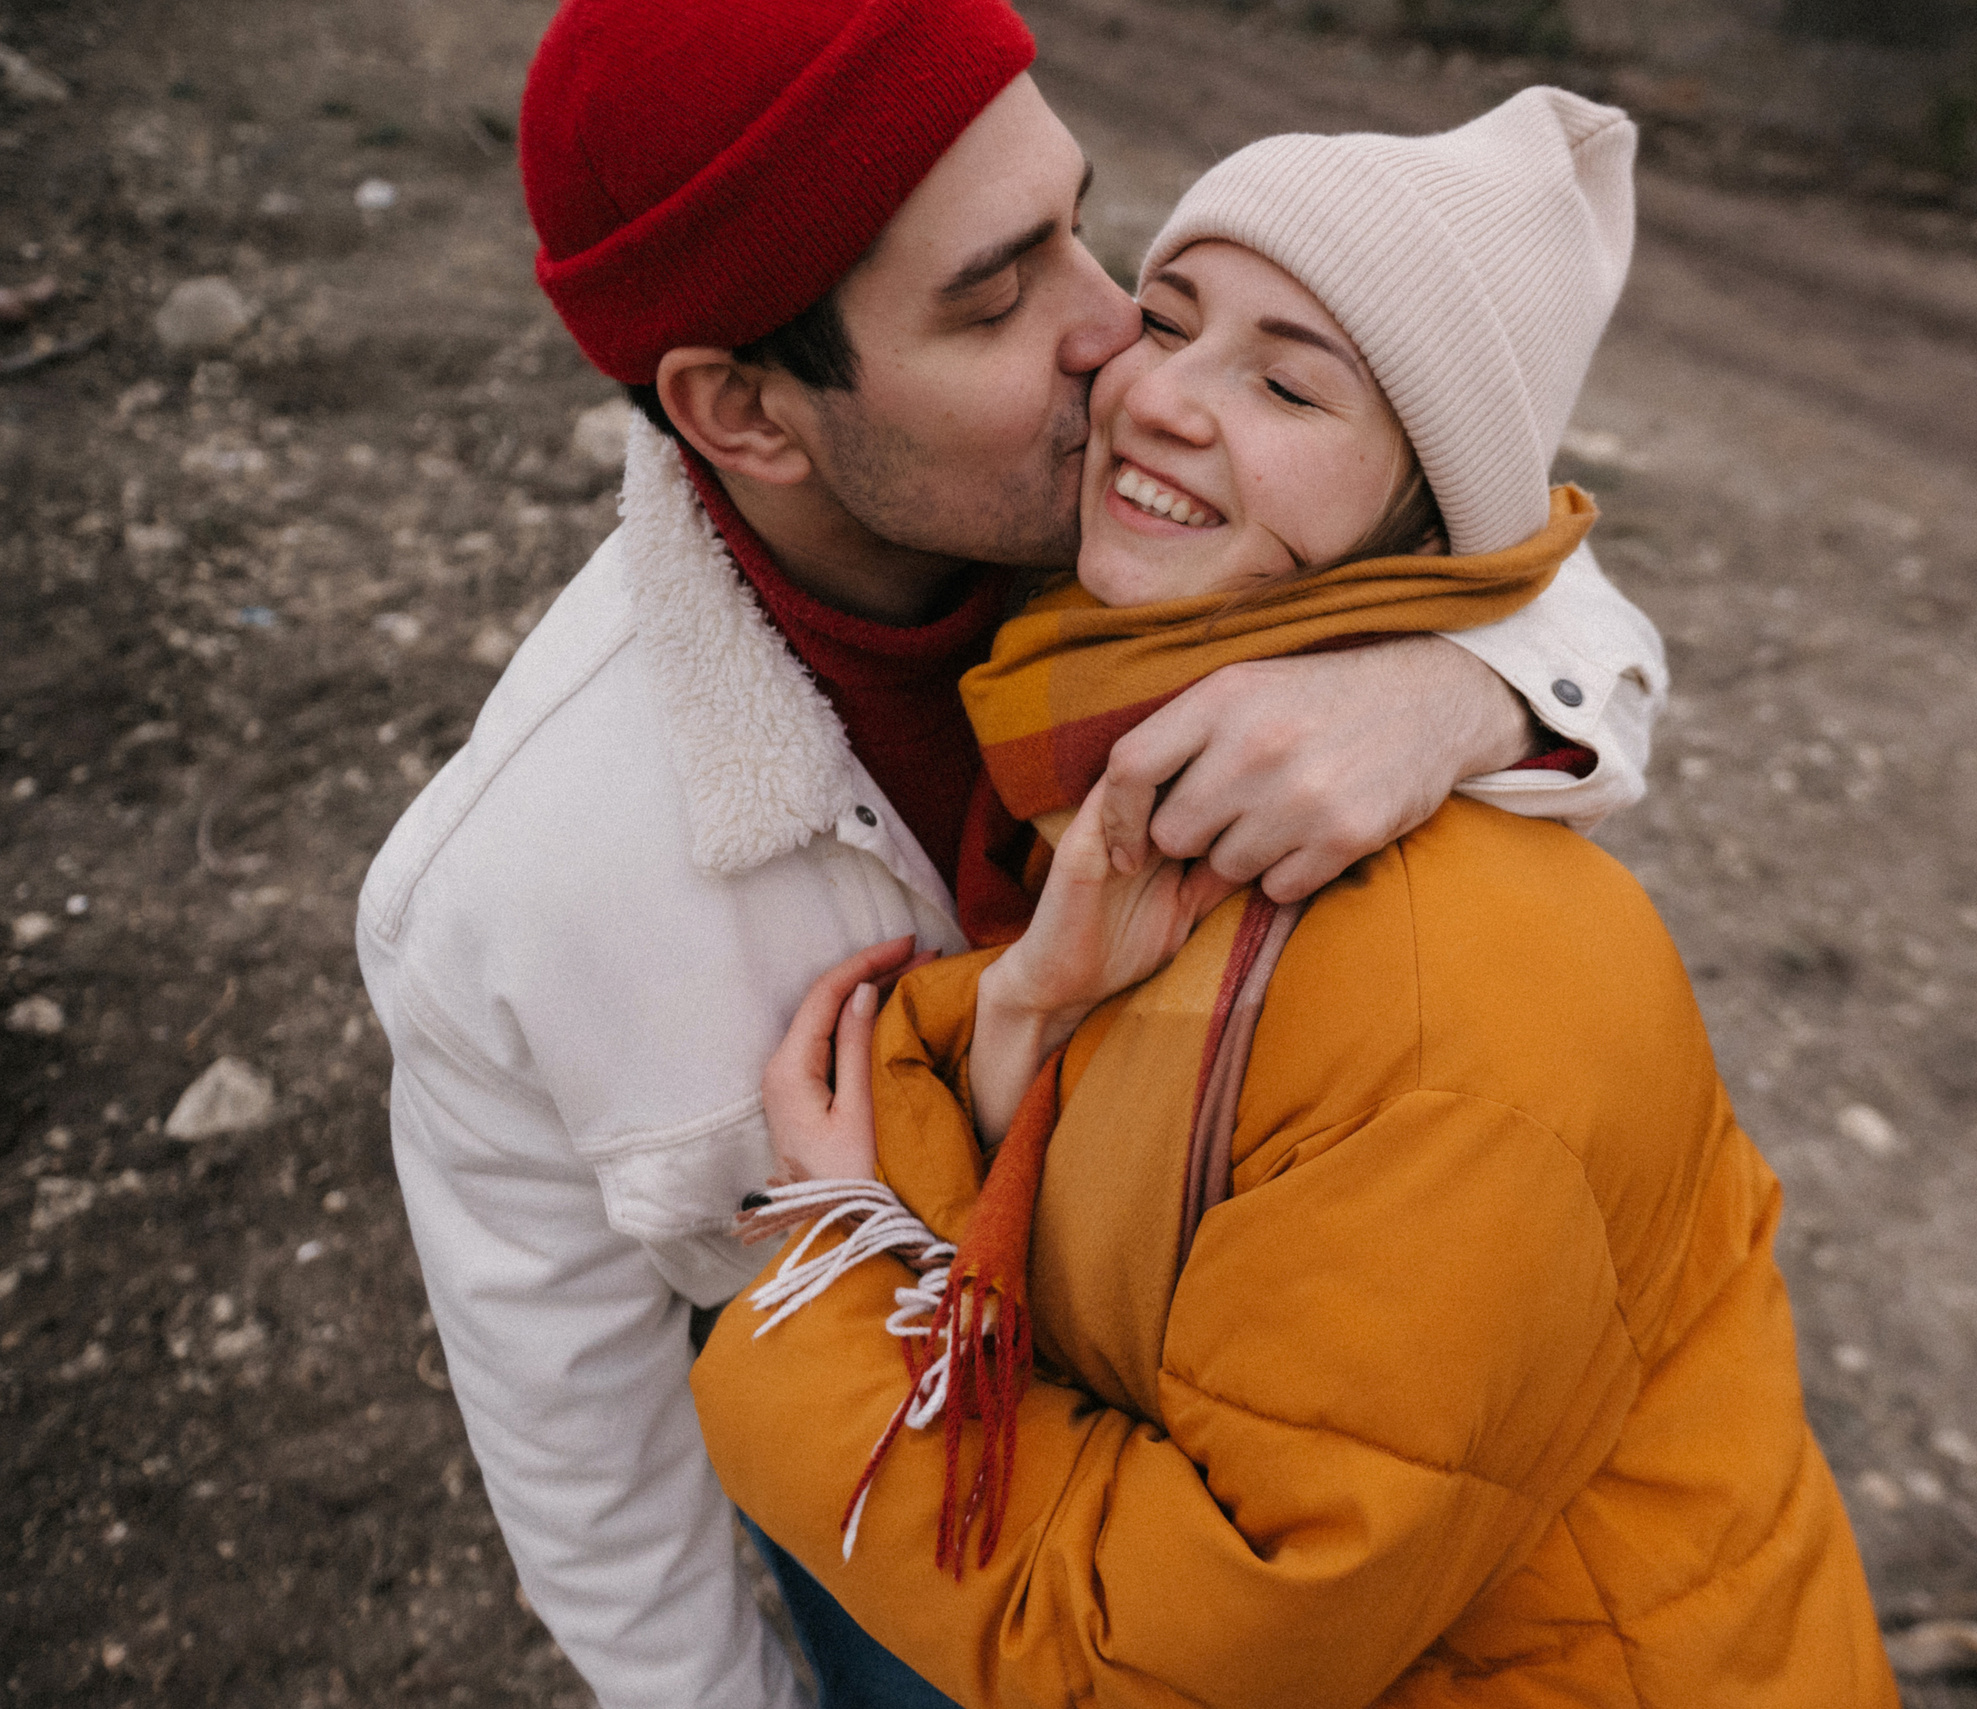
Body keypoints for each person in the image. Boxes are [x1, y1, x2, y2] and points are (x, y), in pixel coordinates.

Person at [354, 1, 1666, 1705]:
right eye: (997, 294)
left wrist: (1462, 686)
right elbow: (588, 1468)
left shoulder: (1156, 528)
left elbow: (1496, 521)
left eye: (1077, 224)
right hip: (902, 1479)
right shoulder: (516, 899)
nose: (1121, 335)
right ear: (744, 410)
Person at [693, 88, 1893, 1706]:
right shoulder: (1145, 742)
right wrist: (1033, 1003)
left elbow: (1191, 1650)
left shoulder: (1447, 991)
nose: (1162, 400)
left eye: (1285, 382)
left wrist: (831, 1308)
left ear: (1421, 513)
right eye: (1169, 320)